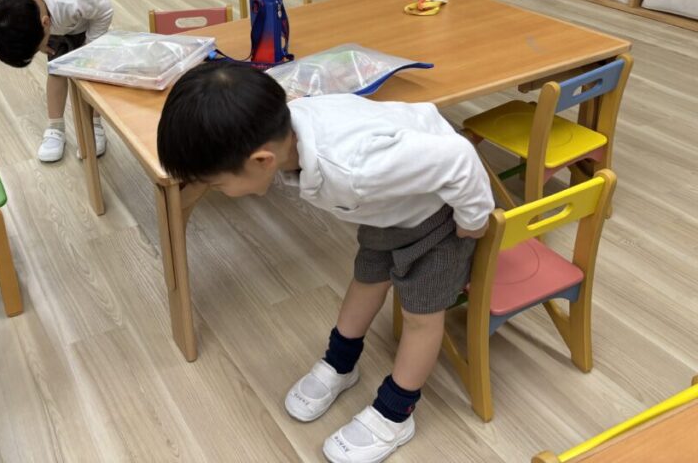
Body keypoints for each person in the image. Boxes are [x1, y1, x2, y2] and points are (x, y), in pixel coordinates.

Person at [157, 62, 493, 463]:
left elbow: (459, 157)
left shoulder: (353, 168)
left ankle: (396, 412)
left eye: (217, 184)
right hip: (388, 208)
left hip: (437, 216)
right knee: (365, 280)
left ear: (262, 160)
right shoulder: (290, 130)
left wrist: (474, 219)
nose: (218, 191)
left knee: (421, 317)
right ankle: (340, 363)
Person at [0, 0, 113, 162]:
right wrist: (40, 44)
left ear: (45, 23)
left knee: (89, 75)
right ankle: (55, 127)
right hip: (49, 19)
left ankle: (94, 125)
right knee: (55, 70)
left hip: (87, 20)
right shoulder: (11, 6)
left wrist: (91, 45)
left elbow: (105, 11)